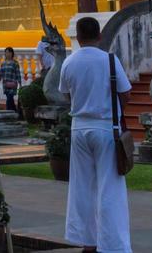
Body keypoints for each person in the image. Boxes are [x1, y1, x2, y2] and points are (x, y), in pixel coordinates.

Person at [53, 15, 131, 253]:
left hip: (79, 127)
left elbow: (66, 95)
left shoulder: (69, 62)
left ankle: (88, 242)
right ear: (99, 36)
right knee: (110, 187)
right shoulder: (109, 60)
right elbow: (125, 93)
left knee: (82, 186)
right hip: (106, 126)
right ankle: (113, 245)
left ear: (77, 36)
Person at [0, 47, 24, 119]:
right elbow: (1, 73)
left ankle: (8, 113)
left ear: (11, 53)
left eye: (8, 52)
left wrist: (20, 83)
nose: (7, 54)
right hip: (5, 84)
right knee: (10, 99)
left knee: (9, 98)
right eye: (6, 52)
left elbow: (18, 74)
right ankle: (15, 112)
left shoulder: (15, 63)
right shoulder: (3, 63)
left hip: (13, 83)